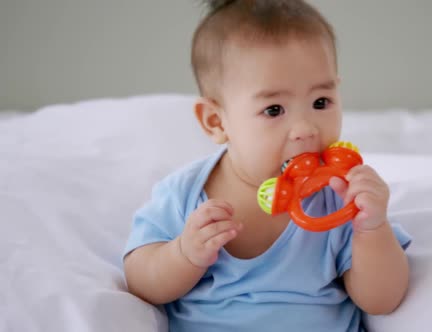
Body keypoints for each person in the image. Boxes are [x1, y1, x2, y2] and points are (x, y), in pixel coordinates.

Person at [123, 1, 411, 331]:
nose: (305, 129)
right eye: (274, 110)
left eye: (321, 102)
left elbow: (382, 300)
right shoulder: (184, 194)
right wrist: (183, 255)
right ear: (216, 121)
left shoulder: (341, 197)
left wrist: (372, 230)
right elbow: (140, 282)